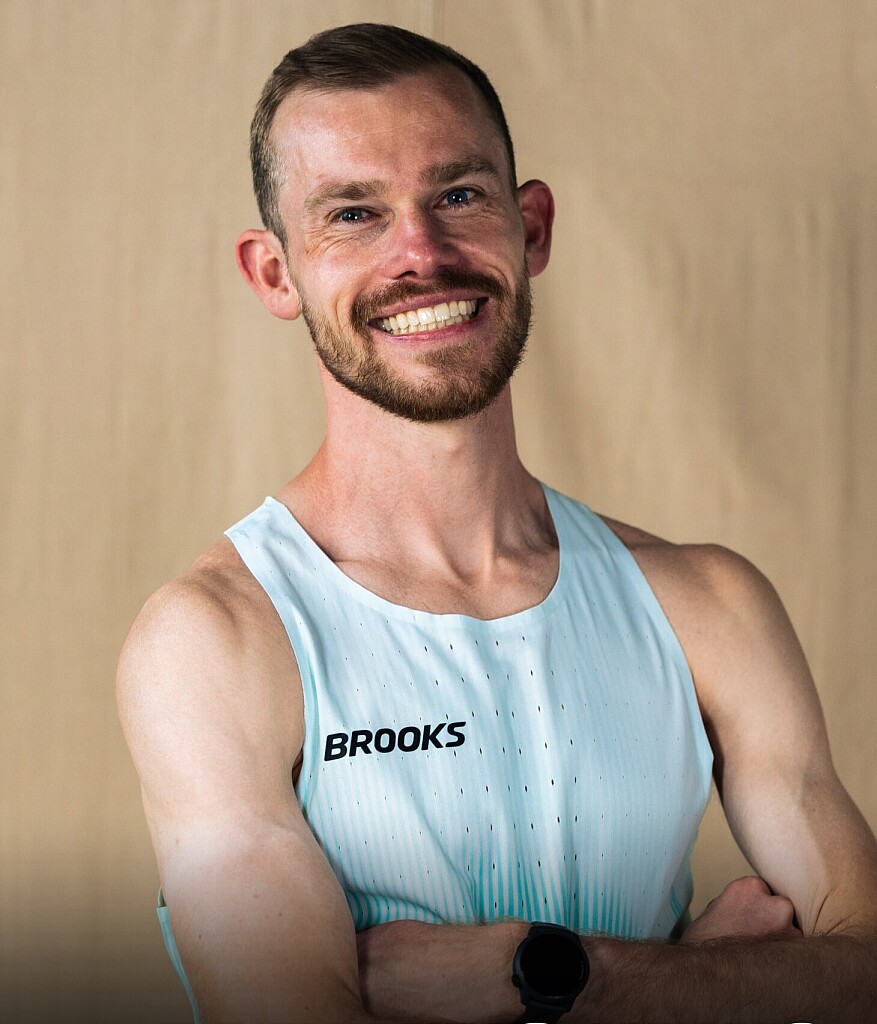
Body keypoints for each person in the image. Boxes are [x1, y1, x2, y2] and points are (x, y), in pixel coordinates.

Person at [117, 22, 877, 1024]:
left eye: (458, 196)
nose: (421, 255)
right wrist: (702, 983)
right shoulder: (215, 640)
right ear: (275, 274)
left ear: (533, 228)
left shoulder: (708, 604)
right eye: (353, 214)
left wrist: (556, 972)